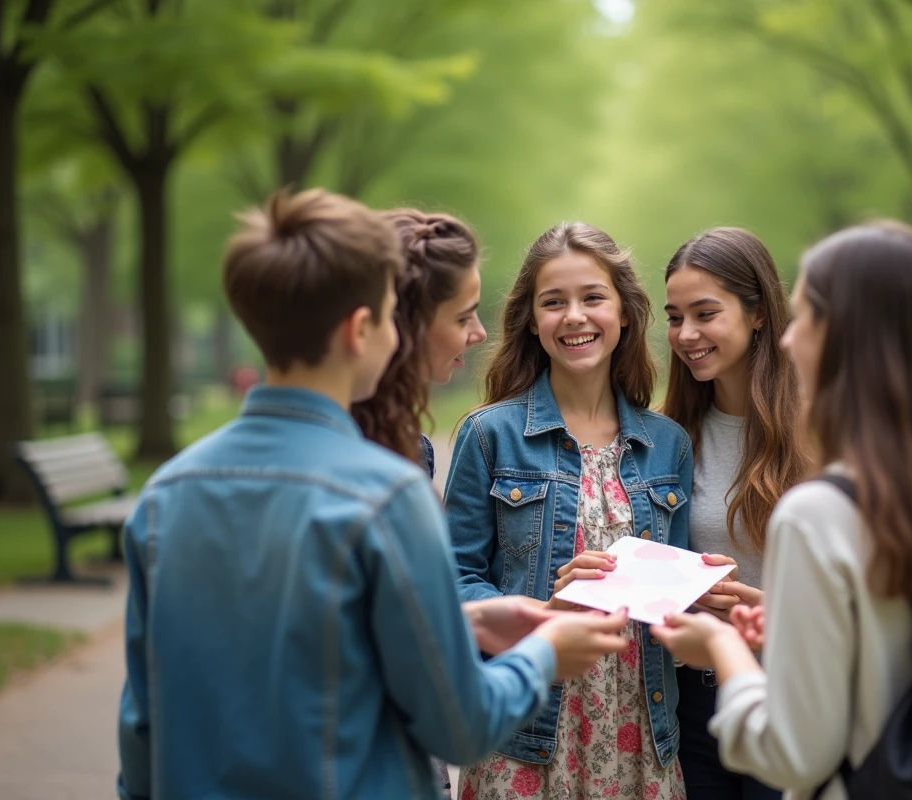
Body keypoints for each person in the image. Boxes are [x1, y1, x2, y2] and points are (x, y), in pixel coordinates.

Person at [115, 189, 631, 800]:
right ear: (361, 330)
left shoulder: (165, 496)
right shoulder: (385, 497)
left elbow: (144, 728)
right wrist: (544, 653)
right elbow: (461, 726)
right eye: (392, 315)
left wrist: (462, 620)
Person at [650, 221, 912, 799]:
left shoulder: (818, 512)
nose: (788, 340)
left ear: (853, 337)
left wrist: (722, 646)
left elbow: (795, 752)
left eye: (806, 316)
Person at [446, 222, 692, 800]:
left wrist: (699, 597)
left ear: (625, 312)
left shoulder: (669, 445)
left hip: (641, 736)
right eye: (553, 302)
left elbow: (672, 599)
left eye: (593, 298)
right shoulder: (489, 437)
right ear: (532, 321)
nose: (574, 316)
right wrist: (539, 611)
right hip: (524, 736)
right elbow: (452, 584)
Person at [661, 227, 810, 800]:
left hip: (792, 694)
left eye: (705, 313)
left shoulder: (818, 433)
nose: (687, 334)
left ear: (757, 314)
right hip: (692, 702)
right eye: (675, 317)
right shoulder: (666, 436)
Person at [350, 208, 488, 797]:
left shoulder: (415, 450)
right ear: (401, 324)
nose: (479, 333)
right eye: (463, 316)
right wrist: (542, 658)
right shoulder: (378, 479)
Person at [352, 208, 487, 481]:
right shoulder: (367, 455)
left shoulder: (399, 439)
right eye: (463, 319)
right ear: (408, 325)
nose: (480, 333)